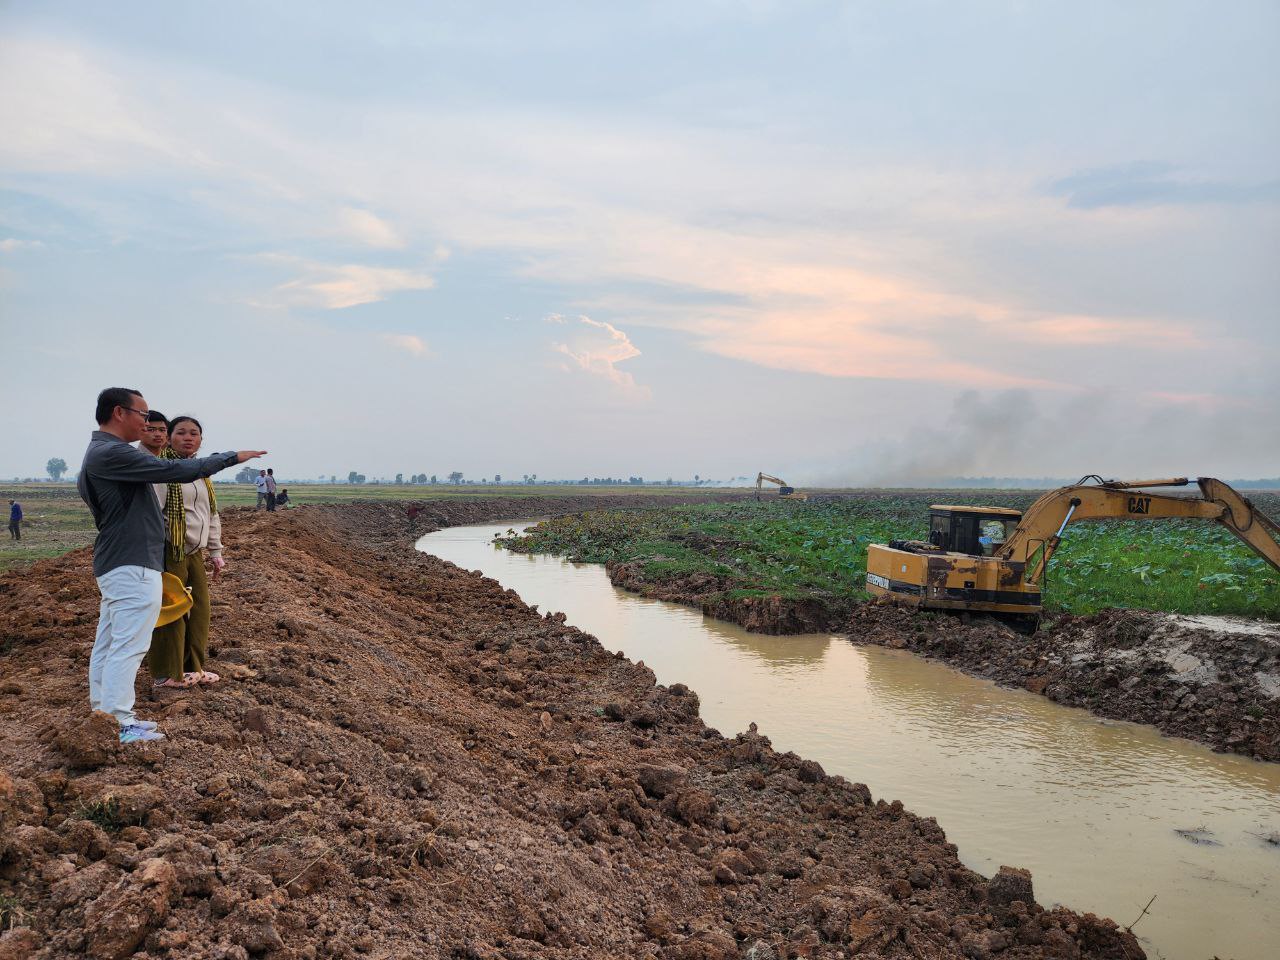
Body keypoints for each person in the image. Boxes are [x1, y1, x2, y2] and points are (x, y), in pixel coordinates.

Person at [77, 387, 264, 744]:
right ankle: (120, 721)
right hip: (132, 561)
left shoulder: (102, 452)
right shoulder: (112, 453)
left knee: (110, 642)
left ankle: (104, 715)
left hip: (122, 558)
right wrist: (231, 457)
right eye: (142, 415)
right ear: (120, 413)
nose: (148, 423)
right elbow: (175, 471)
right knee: (128, 645)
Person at [147, 415, 228, 690]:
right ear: (169, 437)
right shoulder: (163, 470)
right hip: (171, 550)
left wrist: (216, 550)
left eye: (194, 433)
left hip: (195, 551)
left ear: (201, 440)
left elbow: (211, 513)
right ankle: (166, 673)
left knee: (200, 610)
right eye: (181, 432)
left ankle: (193, 668)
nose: (188, 438)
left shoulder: (200, 473)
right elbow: (153, 514)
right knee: (172, 611)